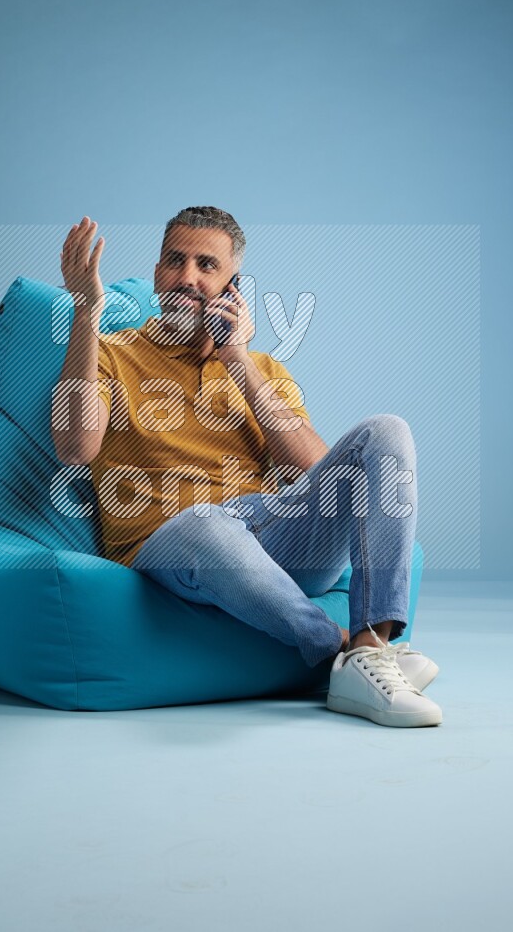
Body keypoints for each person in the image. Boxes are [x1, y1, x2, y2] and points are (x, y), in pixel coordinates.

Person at [52, 207, 442, 728]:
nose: (187, 277)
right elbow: (76, 448)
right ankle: (340, 650)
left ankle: (372, 645)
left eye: (206, 265)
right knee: (207, 523)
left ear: (232, 285)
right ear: (157, 271)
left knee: (386, 431)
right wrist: (85, 310)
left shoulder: (260, 369)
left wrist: (236, 359)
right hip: (174, 541)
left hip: (270, 534)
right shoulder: (109, 353)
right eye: (174, 261)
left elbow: (319, 472)